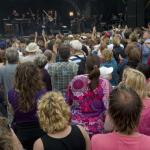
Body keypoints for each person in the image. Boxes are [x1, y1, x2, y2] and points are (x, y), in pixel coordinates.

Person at [92, 85, 150, 150]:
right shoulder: (148, 143)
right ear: (139, 113)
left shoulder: (97, 141)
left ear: (110, 114)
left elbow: (107, 128)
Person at [66, 55, 110, 136]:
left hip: (76, 127)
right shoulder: (104, 83)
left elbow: (68, 102)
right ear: (99, 66)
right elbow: (107, 107)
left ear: (85, 65)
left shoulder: (75, 80)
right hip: (97, 127)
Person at [8, 62, 47, 150]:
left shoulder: (11, 93)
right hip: (40, 129)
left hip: (21, 131)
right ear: (36, 76)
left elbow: (12, 113)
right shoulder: (42, 92)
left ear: (17, 76)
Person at [0, 47, 19, 117]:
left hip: (8, 100)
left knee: (11, 120)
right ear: (17, 57)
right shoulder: (22, 68)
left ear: (7, 57)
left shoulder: (2, 70)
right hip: (23, 99)